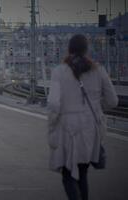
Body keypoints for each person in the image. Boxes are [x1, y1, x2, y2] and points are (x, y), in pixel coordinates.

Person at [47, 34, 118, 200]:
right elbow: (113, 101)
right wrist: (96, 106)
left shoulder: (59, 72)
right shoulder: (98, 70)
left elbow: (53, 104)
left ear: (69, 49)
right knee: (83, 173)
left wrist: (51, 128)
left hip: (67, 129)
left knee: (68, 175)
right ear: (86, 50)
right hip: (90, 129)